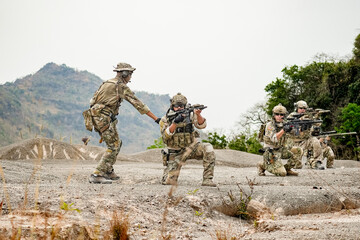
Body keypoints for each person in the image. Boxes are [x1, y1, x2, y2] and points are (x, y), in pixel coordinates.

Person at [88, 62, 161, 184]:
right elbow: (138, 104)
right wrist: (156, 119)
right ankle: (97, 174)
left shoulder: (107, 83)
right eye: (130, 74)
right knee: (113, 145)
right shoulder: (120, 86)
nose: (130, 77)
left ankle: (108, 170)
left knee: (117, 143)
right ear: (125, 73)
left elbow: (92, 101)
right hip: (103, 117)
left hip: (98, 116)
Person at [159, 93, 216, 187]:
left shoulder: (190, 115)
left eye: (181, 106)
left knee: (208, 148)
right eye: (176, 106)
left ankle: (207, 179)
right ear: (172, 106)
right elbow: (166, 136)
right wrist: (175, 122)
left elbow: (202, 125)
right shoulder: (165, 119)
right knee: (169, 181)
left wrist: (198, 114)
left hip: (191, 148)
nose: (179, 108)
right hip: (176, 152)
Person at [257, 103, 302, 177]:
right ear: (273, 115)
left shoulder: (285, 123)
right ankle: (262, 165)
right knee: (282, 173)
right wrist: (284, 130)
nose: (279, 116)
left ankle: (287, 169)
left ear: (284, 115)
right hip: (271, 151)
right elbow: (274, 139)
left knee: (299, 150)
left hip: (281, 149)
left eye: (281, 115)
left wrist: (301, 128)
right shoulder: (270, 125)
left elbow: (296, 134)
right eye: (277, 114)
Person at [287, 100, 324, 170]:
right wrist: (300, 123)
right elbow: (289, 128)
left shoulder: (308, 116)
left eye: (304, 109)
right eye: (301, 108)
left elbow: (317, 123)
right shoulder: (292, 116)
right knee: (297, 166)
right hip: (294, 143)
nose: (303, 110)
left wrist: (317, 116)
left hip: (306, 140)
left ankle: (317, 162)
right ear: (297, 108)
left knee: (315, 141)